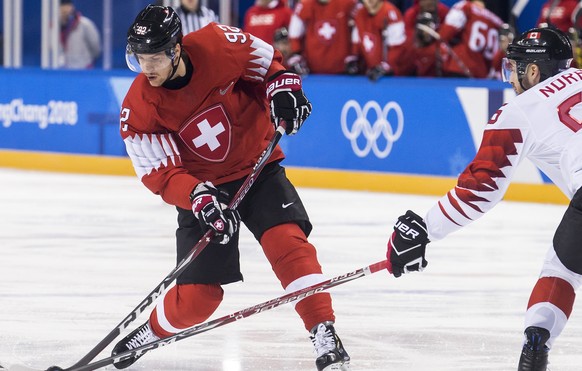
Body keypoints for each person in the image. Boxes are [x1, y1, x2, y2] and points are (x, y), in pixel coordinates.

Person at [112, 5, 350, 371]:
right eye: (140, 59)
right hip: (204, 193)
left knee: (288, 244)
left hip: (257, 167)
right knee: (198, 299)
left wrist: (282, 89)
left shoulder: (219, 43)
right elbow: (160, 172)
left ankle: (324, 330)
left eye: (155, 58)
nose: (147, 68)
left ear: (176, 49)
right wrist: (199, 197)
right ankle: (152, 331)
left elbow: (270, 66)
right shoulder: (140, 107)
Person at [385, 26, 575, 371]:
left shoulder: (521, 110)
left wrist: (425, 228)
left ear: (533, 71)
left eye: (514, 68)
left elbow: (481, 188)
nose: (510, 80)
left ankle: (537, 339)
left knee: (560, 271)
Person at [287, 0, 358, 75]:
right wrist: (296, 54)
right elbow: (294, 34)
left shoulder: (348, 3)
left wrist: (354, 54)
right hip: (312, 70)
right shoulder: (304, 6)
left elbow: (359, 26)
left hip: (343, 69)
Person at [437, 0, 503, 78]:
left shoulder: (465, 7)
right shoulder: (498, 23)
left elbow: (445, 33)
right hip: (483, 75)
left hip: (460, 68)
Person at [350, 0, 408, 80]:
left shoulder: (390, 13)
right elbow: (357, 40)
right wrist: (354, 58)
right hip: (372, 71)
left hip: (395, 76)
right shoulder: (360, 14)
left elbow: (398, 47)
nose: (369, 1)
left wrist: (386, 66)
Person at [58, 0, 101, 69]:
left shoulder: (85, 25)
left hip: (84, 71)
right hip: (61, 73)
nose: (64, 9)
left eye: (67, 6)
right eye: (61, 6)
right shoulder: (52, 29)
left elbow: (96, 49)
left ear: (72, 7)